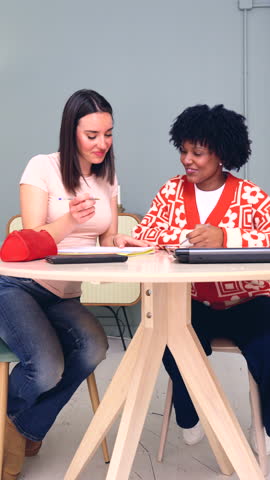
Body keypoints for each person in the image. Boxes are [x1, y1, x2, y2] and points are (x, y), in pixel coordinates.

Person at [0, 89, 148, 480]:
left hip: (65, 293)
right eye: (93, 135)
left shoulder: (108, 177)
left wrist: (121, 240)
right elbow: (29, 241)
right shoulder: (42, 167)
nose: (103, 144)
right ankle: (15, 431)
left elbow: (105, 239)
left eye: (109, 134)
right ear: (72, 132)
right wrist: (68, 220)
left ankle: (21, 424)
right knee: (46, 366)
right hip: (20, 286)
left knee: (94, 349)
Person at [133, 104, 270, 452]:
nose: (187, 160)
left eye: (198, 152)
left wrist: (227, 238)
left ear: (221, 154)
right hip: (191, 304)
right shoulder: (170, 191)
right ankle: (190, 414)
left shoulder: (250, 197)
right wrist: (132, 238)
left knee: (268, 350)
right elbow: (146, 234)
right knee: (165, 339)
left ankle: (266, 423)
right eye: (183, 150)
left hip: (249, 303)